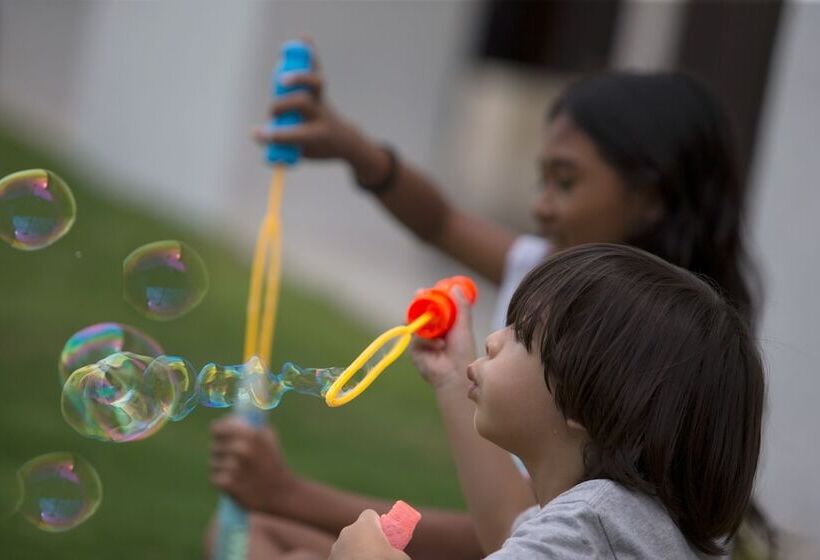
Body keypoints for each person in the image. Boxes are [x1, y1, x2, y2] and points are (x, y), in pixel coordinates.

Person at [207, 41, 769, 559]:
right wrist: (357, 151)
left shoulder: (596, 511)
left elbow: (505, 532)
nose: (541, 207)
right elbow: (441, 220)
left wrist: (291, 495)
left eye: (566, 181)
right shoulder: (590, 308)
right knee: (250, 538)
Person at [326, 243, 765, 559]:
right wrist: (451, 376)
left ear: (586, 397)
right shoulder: (619, 523)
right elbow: (506, 529)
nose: (494, 341)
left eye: (523, 335)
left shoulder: (593, 527)